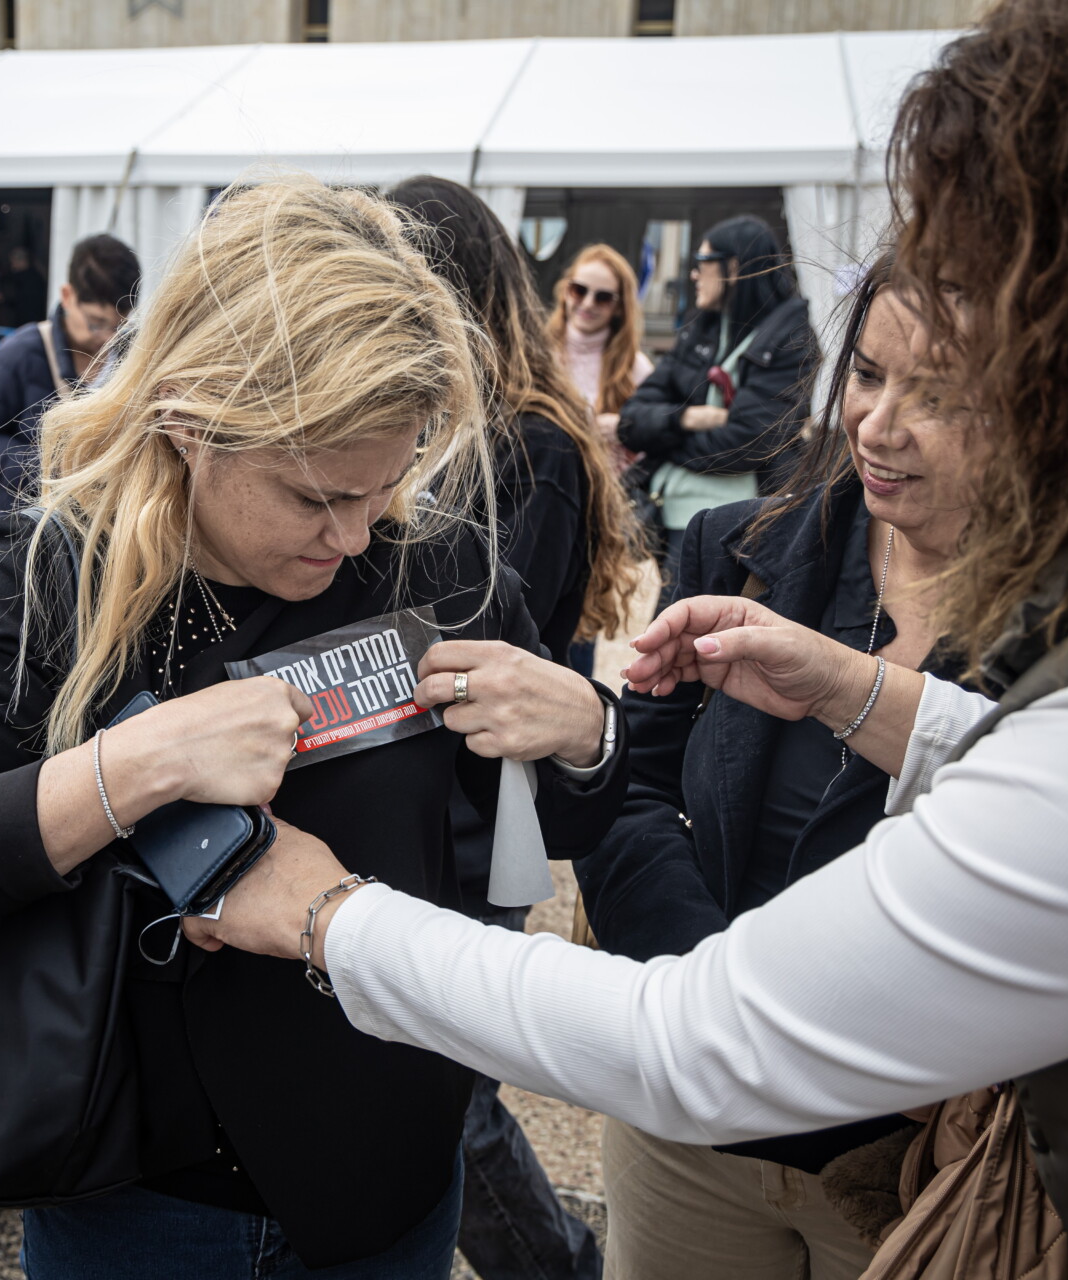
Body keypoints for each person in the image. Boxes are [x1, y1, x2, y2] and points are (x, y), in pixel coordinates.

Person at [187, 4, 1068, 1278]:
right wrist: (865, 691)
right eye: (873, 368)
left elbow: (697, 1037)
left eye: (979, 351)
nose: (895, 422)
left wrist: (326, 911)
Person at [0, 175, 624, 1279]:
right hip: (151, 1204)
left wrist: (585, 729)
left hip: (397, 1168)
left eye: (384, 484)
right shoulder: (60, 570)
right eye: (314, 496)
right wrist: (137, 762)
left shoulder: (432, 560)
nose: (354, 536)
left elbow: (552, 817)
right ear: (190, 418)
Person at [573, 253, 987, 1280]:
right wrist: (710, 1002)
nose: (880, 425)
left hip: (917, 1157)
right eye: (867, 375)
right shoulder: (739, 549)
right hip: (692, 1128)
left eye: (934, 394)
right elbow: (630, 788)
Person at [388, 174, 643, 1280]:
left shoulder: (528, 440)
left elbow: (507, 632)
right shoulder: (469, 423)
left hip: (483, 803)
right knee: (442, 1072)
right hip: (444, 793)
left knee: (451, 1084)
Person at [618, 215, 813, 574]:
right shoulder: (700, 328)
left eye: (703, 262)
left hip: (740, 524)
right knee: (675, 624)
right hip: (670, 514)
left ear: (733, 267)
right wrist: (685, 419)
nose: (694, 274)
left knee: (688, 626)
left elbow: (749, 442)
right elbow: (631, 420)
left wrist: (665, 440)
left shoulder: (791, 336)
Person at [0, 233, 140, 514]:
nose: (107, 337)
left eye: (118, 326)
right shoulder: (22, 352)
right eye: (95, 323)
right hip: (32, 530)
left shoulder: (137, 354)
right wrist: (45, 470)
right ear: (67, 296)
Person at [547, 244, 653, 469]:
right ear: (566, 291)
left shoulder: (636, 367)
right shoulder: (537, 351)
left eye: (603, 297)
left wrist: (624, 429)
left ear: (619, 307)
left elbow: (649, 447)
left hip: (606, 492)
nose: (587, 303)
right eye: (579, 290)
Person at [0, 244, 48, 329]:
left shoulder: (28, 277)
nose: (12, 266)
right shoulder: (32, 275)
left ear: (22, 261)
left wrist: (4, 299)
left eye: (13, 263)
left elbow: (21, 299)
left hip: (29, 321)